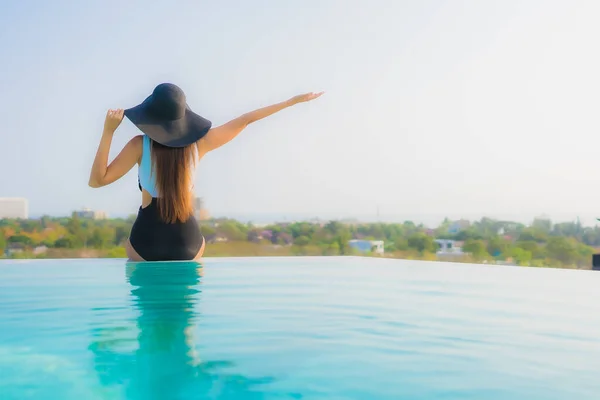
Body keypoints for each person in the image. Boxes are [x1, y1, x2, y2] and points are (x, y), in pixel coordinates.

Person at [88, 83, 323, 261]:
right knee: (185, 322)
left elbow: (97, 181)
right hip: (187, 244)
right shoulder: (200, 144)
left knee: (148, 319)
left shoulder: (139, 145)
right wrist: (292, 101)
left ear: (150, 117)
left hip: (145, 243)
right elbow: (245, 120)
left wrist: (108, 131)